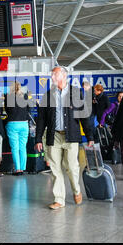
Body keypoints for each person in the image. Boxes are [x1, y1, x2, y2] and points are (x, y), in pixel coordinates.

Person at [35, 66, 94, 210]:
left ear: (64, 76)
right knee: (55, 169)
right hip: (53, 136)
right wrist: (38, 139)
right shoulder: (47, 96)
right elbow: (41, 119)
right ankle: (59, 199)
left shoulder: (76, 93)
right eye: (52, 74)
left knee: (72, 167)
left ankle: (76, 190)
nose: (52, 77)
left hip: (71, 136)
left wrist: (90, 136)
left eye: (54, 74)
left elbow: (84, 116)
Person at [4, 81, 31, 175]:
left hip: (13, 124)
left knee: (15, 147)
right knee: (23, 147)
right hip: (24, 124)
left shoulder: (8, 97)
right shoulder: (25, 96)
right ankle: (22, 168)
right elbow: (29, 110)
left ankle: (17, 169)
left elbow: (7, 110)